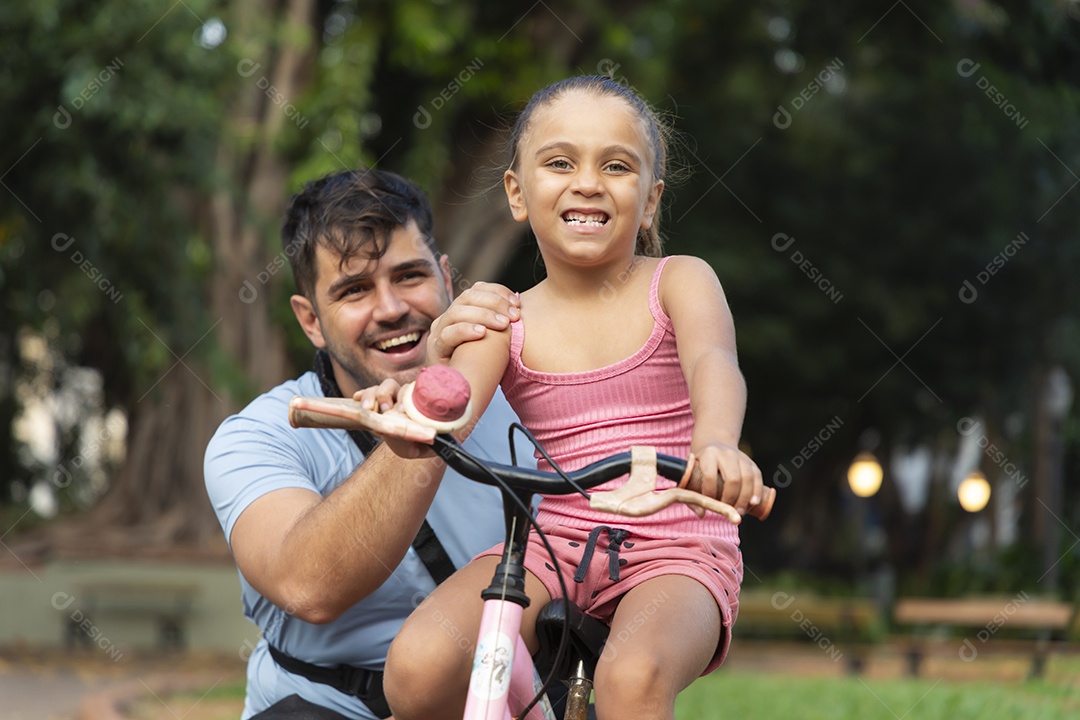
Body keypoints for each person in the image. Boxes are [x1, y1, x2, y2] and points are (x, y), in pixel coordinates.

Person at [357, 76, 766, 720]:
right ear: (518, 194)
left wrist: (716, 443)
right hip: (554, 544)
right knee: (418, 667)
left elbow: (716, 363)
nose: (587, 182)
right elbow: (449, 412)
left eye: (617, 165)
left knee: (632, 677)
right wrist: (413, 398)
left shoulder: (680, 282)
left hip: (677, 543)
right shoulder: (502, 318)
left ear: (651, 201)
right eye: (559, 162)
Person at [203, 167, 533, 720]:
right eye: (354, 290)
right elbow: (309, 586)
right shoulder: (257, 437)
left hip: (501, 695)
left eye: (409, 276)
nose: (390, 308)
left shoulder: (526, 395)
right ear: (311, 320)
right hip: (323, 708)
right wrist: (432, 411)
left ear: (447, 280)